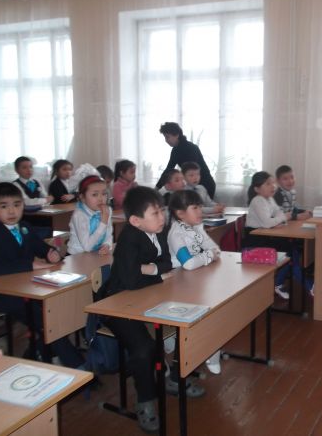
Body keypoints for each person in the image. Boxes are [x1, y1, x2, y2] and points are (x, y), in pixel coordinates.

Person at [97, 186, 204, 434]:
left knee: (187, 323)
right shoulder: (129, 239)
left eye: (161, 211)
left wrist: (150, 269)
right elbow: (130, 281)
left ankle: (174, 378)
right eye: (155, 213)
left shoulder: (159, 231)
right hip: (116, 303)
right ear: (136, 221)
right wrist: (155, 274)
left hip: (146, 296)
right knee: (144, 348)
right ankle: (145, 402)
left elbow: (166, 262)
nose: (162, 217)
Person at [0, 182, 85, 367]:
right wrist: (30, 265)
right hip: (7, 295)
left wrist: (51, 253)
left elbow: (41, 247)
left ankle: (37, 352)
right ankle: (79, 367)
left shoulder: (25, 227)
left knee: (62, 311)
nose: (12, 211)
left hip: (33, 288)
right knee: (49, 322)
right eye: (4, 206)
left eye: (17, 205)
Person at [167, 190, 223, 374]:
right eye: (195, 208)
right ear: (180, 213)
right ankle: (208, 352)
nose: (200, 211)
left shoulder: (196, 227)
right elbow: (189, 264)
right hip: (179, 284)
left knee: (216, 306)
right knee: (206, 313)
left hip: (196, 279)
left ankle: (209, 348)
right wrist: (208, 256)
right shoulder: (176, 234)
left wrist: (208, 255)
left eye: (200, 207)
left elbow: (215, 249)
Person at [244, 171, 314, 299]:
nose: (273, 186)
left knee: (292, 250)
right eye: (268, 184)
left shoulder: (269, 199)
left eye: (273, 183)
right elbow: (269, 222)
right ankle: (306, 285)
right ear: (257, 189)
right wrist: (280, 219)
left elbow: (278, 214)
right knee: (290, 252)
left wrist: (277, 220)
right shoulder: (258, 201)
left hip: (266, 236)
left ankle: (282, 283)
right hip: (256, 242)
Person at [156, 122, 216, 199]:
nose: (166, 140)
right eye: (165, 137)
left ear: (177, 135)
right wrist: (157, 188)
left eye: (167, 137)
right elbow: (168, 170)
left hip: (205, 185)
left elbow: (192, 170)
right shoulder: (175, 150)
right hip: (192, 185)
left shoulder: (191, 148)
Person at [67, 176, 112, 256]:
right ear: (82, 197)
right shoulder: (79, 215)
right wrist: (103, 222)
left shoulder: (107, 210)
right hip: (76, 256)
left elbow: (108, 234)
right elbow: (87, 247)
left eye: (104, 194)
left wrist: (106, 245)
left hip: (95, 254)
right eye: (95, 195)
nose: (100, 199)